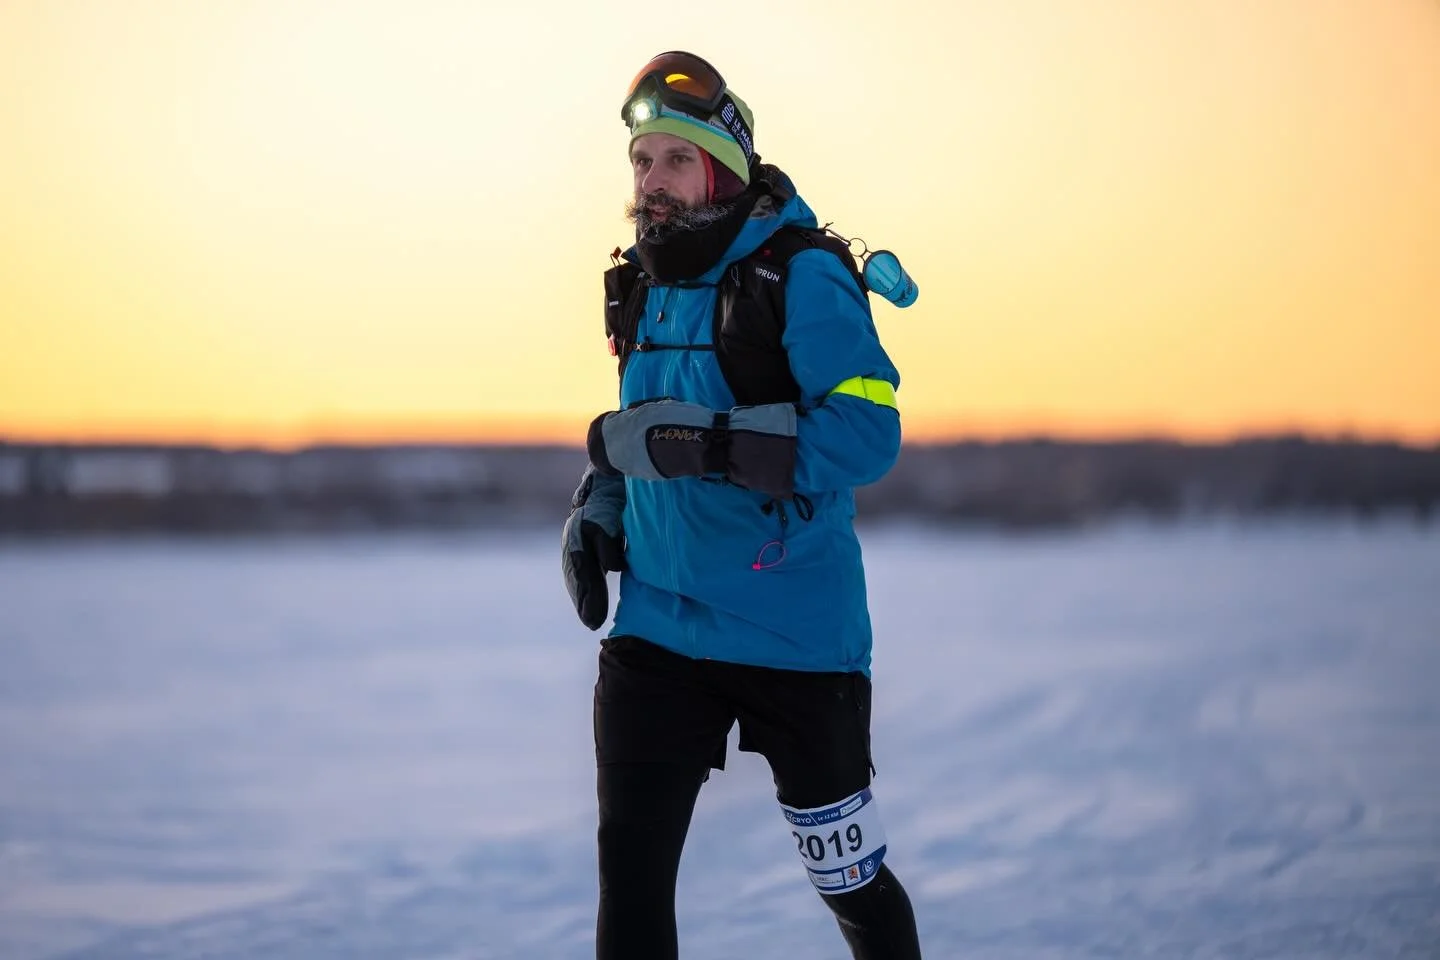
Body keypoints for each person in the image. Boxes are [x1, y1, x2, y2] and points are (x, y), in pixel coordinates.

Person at [562, 51, 923, 960]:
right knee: (632, 881)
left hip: (794, 635)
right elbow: (642, 426)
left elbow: (867, 435)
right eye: (642, 160)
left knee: (853, 892)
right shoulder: (639, 283)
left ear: (721, 166)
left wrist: (716, 445)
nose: (651, 182)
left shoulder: (801, 276)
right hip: (657, 632)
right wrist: (601, 506)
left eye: (675, 160)